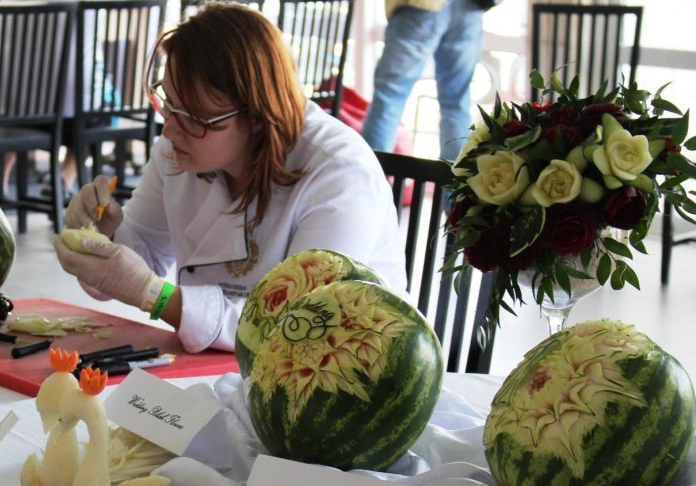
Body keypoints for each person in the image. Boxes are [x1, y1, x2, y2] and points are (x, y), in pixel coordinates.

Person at [53, 3, 406, 353]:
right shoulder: (178, 150)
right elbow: (143, 253)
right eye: (169, 104)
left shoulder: (337, 174)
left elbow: (298, 330)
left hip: (338, 371)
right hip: (215, 364)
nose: (171, 129)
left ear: (256, 117)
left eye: (195, 118)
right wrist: (103, 236)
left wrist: (154, 295)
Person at [361, 0, 489, 163]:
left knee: (389, 99)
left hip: (421, 6)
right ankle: (455, 185)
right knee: (456, 105)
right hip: (469, 9)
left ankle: (368, 181)